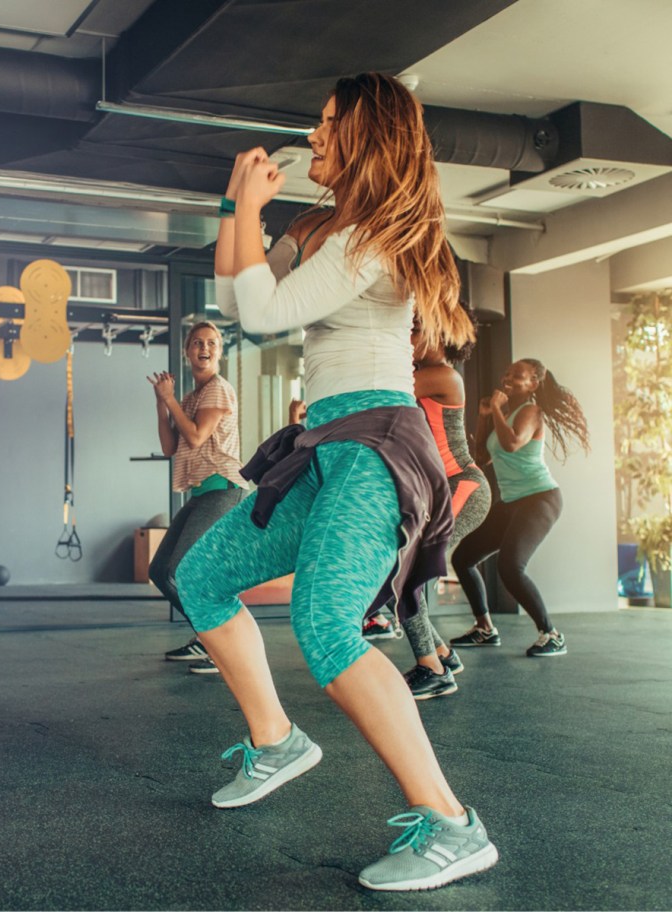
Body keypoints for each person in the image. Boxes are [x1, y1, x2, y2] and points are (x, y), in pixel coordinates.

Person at [174, 73, 498, 891]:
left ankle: (452, 825)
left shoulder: (376, 237)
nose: (313, 138)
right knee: (201, 576)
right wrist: (234, 209)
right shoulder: (334, 228)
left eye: (326, 126)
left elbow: (262, 316)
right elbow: (235, 295)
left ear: (363, 135)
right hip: (324, 442)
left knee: (326, 623)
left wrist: (249, 209)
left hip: (376, 445)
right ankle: (276, 740)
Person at [450, 358, 589, 657]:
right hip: (512, 502)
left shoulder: (530, 411)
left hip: (540, 498)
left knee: (511, 567)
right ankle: (484, 629)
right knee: (463, 558)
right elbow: (481, 457)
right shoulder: (508, 412)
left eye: (518, 375)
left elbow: (512, 444)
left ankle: (551, 634)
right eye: (508, 372)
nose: (508, 377)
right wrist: (483, 415)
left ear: (534, 384)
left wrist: (497, 410)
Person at [395, 313, 491, 699]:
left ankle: (432, 670)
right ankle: (442, 655)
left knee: (411, 572)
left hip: (463, 485)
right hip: (442, 489)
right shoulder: (428, 371)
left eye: (415, 329)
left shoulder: (443, 375)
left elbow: (386, 382)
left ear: (440, 333)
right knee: (403, 571)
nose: (409, 337)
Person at [147, 321, 246, 673]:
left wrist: (170, 399)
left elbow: (197, 436)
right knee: (160, 571)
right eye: (197, 343)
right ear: (187, 350)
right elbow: (169, 445)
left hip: (222, 489)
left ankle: (220, 646)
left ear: (219, 352)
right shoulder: (189, 399)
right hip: (201, 493)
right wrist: (163, 404)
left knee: (181, 570)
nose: (204, 348)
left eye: (212, 343)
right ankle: (210, 640)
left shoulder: (218, 389)